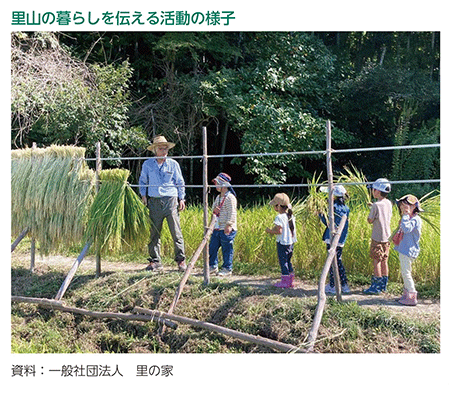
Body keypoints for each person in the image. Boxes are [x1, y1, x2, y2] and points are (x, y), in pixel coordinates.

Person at [139, 135, 187, 272]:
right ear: (155, 150)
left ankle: (181, 260)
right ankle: (155, 261)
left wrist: (181, 198)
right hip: (154, 200)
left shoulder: (173, 164)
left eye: (166, 148)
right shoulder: (147, 164)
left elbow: (180, 182)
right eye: (161, 148)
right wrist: (143, 195)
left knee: (176, 232)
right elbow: (143, 181)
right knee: (154, 232)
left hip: (170, 200)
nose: (164, 151)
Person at [319, 185, 351, 294]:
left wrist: (320, 214)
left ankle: (333, 285)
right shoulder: (346, 208)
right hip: (341, 238)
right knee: (338, 260)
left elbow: (327, 222)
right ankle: (344, 284)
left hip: (332, 238)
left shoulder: (332, 207)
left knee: (333, 261)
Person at [363, 178, 392, 294]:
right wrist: (373, 206)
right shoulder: (388, 203)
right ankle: (384, 285)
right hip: (387, 237)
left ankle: (376, 287)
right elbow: (382, 211)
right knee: (385, 261)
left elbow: (370, 220)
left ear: (378, 191)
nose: (372, 192)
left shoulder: (376, 206)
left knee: (376, 261)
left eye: (374, 190)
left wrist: (371, 211)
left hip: (377, 238)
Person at [393, 194, 423, 306]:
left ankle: (411, 296)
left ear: (413, 207)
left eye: (406, 207)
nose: (403, 209)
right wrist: (405, 216)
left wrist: (405, 216)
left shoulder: (415, 219)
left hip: (408, 250)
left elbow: (406, 229)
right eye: (402, 207)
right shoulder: (410, 218)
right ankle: (406, 294)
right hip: (405, 249)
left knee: (406, 273)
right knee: (405, 272)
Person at [208, 173, 238, 276]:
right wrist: (214, 210)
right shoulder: (218, 197)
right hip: (217, 227)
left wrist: (229, 225)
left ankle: (227, 268)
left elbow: (232, 212)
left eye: (217, 183)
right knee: (212, 247)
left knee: (227, 249)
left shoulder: (230, 198)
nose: (216, 186)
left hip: (226, 228)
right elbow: (213, 209)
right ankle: (212, 266)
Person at [265, 193, 297, 288]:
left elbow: (279, 231)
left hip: (282, 242)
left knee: (283, 262)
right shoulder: (290, 215)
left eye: (275, 205)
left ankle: (285, 281)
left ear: (278, 206)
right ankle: (291, 280)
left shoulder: (279, 217)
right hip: (290, 242)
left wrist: (270, 231)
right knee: (288, 260)